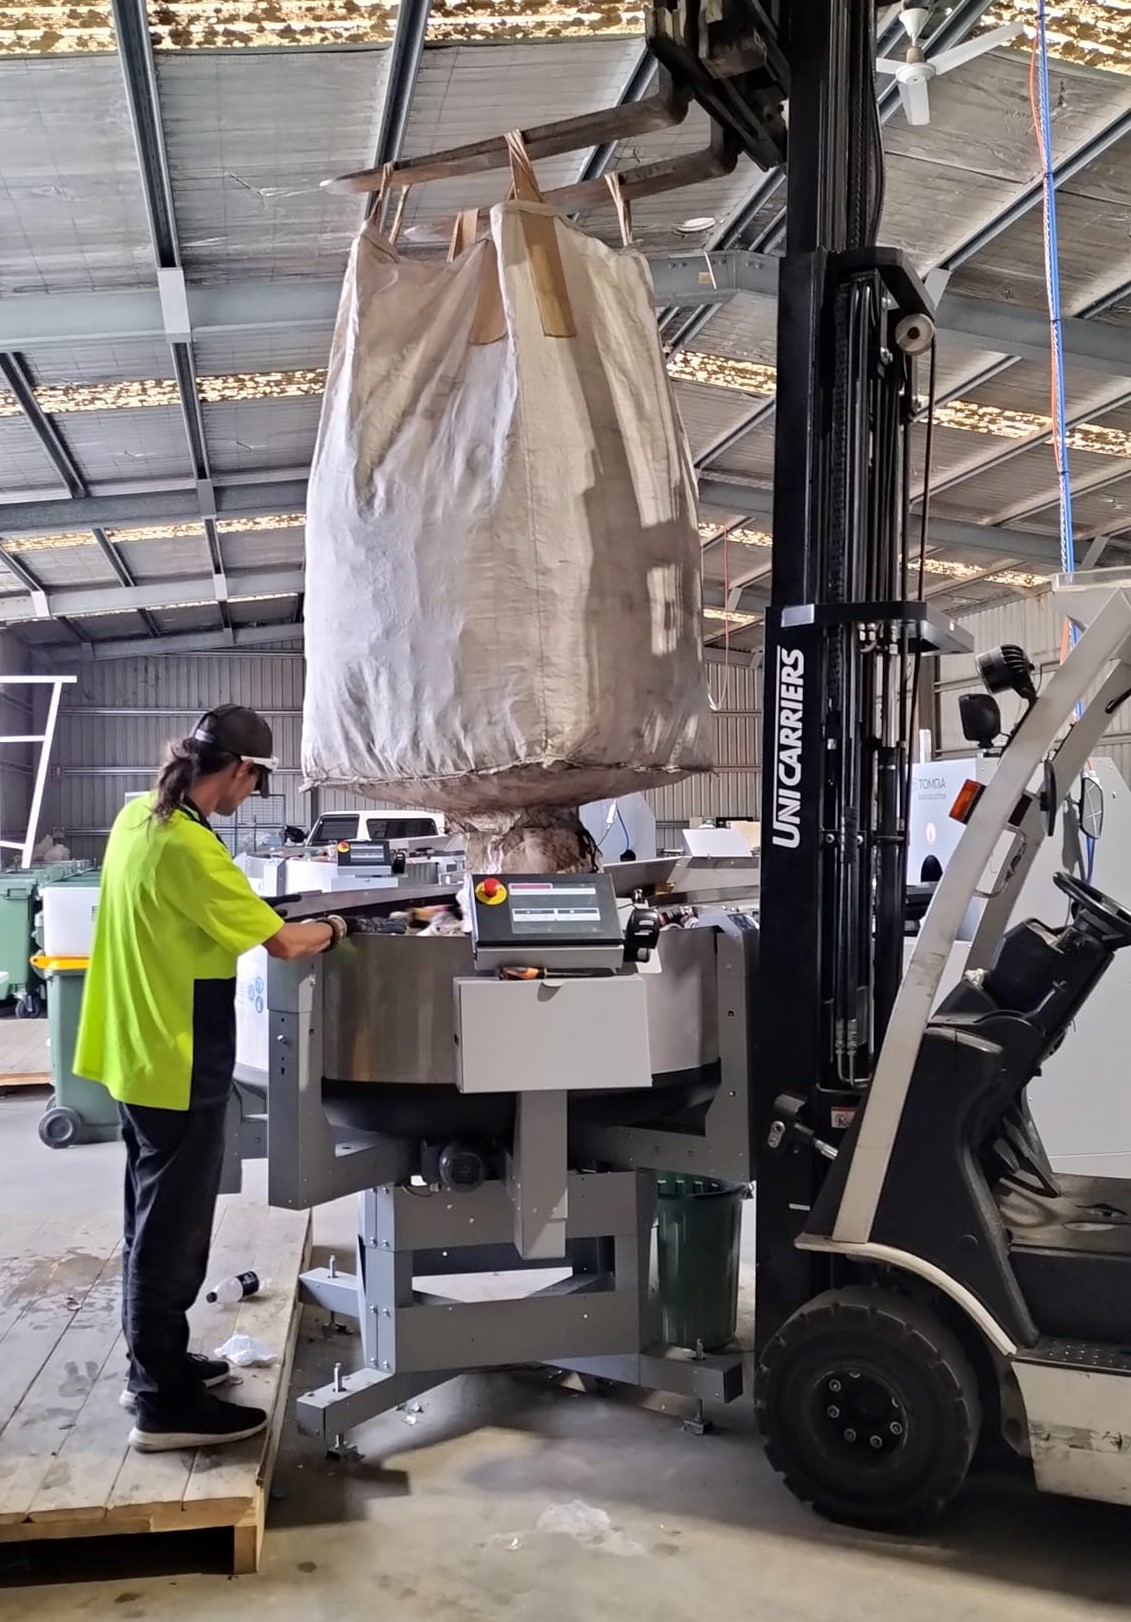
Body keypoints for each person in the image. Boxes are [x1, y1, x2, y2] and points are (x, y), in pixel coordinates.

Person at [75, 706, 349, 1454]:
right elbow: (289, 944)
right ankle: (163, 1404)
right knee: (173, 1233)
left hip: (129, 1050)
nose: (246, 799)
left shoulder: (138, 816)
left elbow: (199, 911)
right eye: (251, 786)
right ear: (238, 770)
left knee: (147, 1216)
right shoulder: (191, 850)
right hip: (175, 1057)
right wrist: (342, 926)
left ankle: (155, 1363)